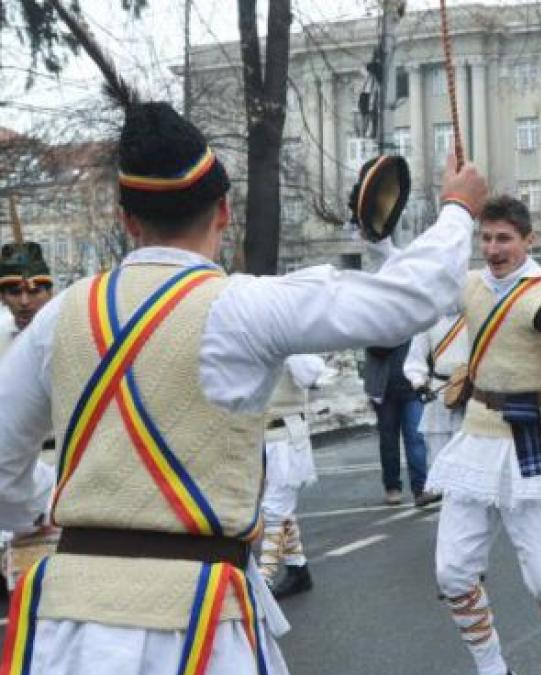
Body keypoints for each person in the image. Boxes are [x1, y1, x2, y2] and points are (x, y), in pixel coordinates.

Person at [0, 96, 487, 672]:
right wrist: (458, 207)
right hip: (196, 622)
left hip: (68, 630)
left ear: (127, 221)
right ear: (224, 211)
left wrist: (37, 505)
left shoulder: (60, 316)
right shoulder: (242, 308)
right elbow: (408, 299)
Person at [424, 195, 541, 675]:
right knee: (452, 573)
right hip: (477, 437)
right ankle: (492, 668)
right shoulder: (469, 284)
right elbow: (414, 296)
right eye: (485, 238)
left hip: (536, 435)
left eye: (504, 238)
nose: (492, 248)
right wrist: (383, 240)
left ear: (529, 240)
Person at [0, 241, 57, 601]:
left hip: (60, 478)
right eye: (13, 290)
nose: (25, 300)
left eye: (35, 290)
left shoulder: (74, 332)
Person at [259, 353, 326, 599]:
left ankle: (263, 579)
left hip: (286, 437)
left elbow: (310, 372)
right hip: (259, 436)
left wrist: (287, 345)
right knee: (281, 509)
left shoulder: (291, 341)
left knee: (275, 508)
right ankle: (298, 569)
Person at [364, 341, 433, 506]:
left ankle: (420, 489)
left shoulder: (415, 323)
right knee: (389, 441)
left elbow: (427, 348)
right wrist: (395, 332)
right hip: (384, 390)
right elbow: (375, 347)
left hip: (412, 389)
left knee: (415, 438)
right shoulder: (379, 325)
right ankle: (392, 487)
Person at [403, 313, 468, 469]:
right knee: (438, 449)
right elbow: (415, 358)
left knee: (468, 449)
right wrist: (418, 382)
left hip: (469, 390)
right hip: (439, 389)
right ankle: (441, 490)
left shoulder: (475, 315)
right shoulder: (429, 321)